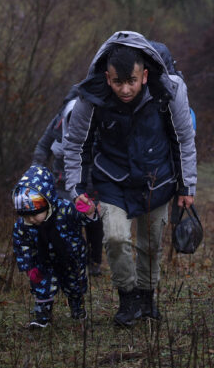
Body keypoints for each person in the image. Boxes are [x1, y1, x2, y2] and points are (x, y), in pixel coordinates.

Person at [62, 32, 197, 326]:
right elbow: (76, 145)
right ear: (107, 78)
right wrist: (76, 189)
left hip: (157, 178)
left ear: (144, 75)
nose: (125, 89)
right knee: (115, 238)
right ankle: (128, 298)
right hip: (111, 179)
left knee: (151, 244)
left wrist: (186, 186)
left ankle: (146, 298)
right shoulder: (90, 96)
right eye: (118, 82)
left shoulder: (169, 90)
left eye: (132, 81)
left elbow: (183, 139)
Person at [12, 164, 98, 329]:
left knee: (75, 285)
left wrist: (88, 212)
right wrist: (29, 266)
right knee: (42, 285)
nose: (30, 220)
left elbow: (83, 220)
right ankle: (42, 316)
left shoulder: (65, 209)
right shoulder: (23, 226)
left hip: (71, 258)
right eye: (25, 216)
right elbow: (21, 246)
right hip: (42, 261)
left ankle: (77, 308)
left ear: (47, 201)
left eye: (34, 215)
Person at [33, 86, 105, 277]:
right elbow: (43, 146)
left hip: (91, 181)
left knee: (93, 222)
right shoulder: (59, 120)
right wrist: (36, 172)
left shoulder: (99, 121)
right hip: (61, 180)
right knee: (65, 222)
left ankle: (94, 261)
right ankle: (71, 261)